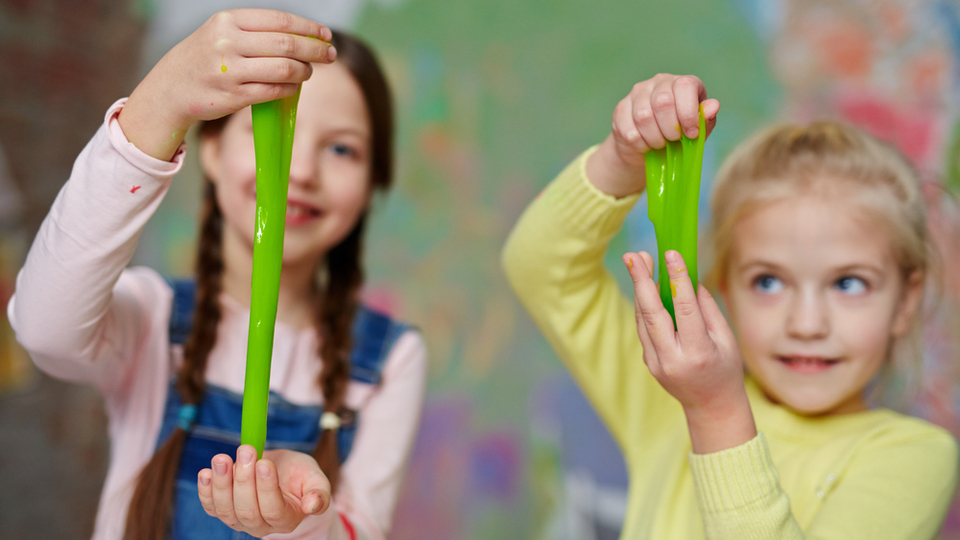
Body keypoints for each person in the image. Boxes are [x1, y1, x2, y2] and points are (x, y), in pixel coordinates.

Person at [7, 9, 426, 540]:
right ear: (210, 148)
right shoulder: (150, 317)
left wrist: (304, 520)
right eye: (261, 129)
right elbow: (42, 327)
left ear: (373, 185)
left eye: (342, 148)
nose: (298, 170)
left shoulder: (390, 362)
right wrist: (161, 101)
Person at [502, 73, 958, 539]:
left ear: (905, 302)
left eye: (847, 284)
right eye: (767, 281)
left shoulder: (912, 455)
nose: (806, 324)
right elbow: (539, 266)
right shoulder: (665, 402)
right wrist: (620, 161)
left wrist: (715, 413)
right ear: (723, 291)